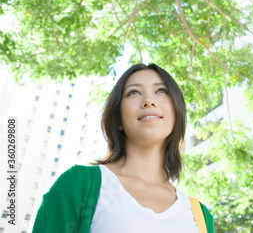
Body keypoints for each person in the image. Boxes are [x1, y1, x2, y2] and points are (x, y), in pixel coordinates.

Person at [32, 63, 214, 233]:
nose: (149, 100)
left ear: (176, 114)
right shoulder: (77, 184)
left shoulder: (200, 216)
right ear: (118, 119)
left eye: (161, 91)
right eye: (133, 92)